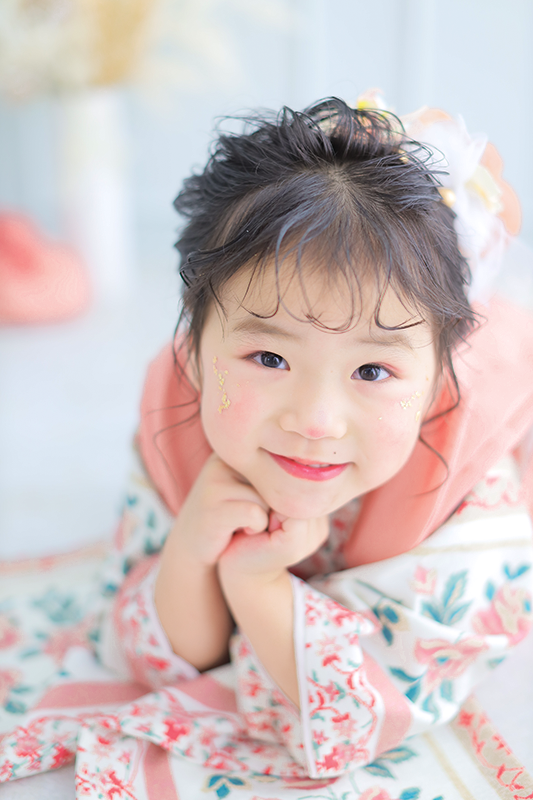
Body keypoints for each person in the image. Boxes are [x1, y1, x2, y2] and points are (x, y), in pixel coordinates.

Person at [93, 97, 533, 778]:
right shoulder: (179, 405)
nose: (316, 420)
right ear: (196, 339)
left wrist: (258, 582)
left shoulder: (462, 478)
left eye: (371, 369)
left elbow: (368, 714)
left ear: (437, 376)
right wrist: (190, 548)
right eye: (269, 359)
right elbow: (151, 659)